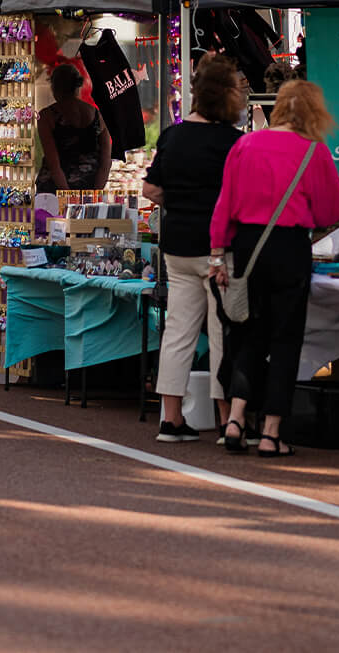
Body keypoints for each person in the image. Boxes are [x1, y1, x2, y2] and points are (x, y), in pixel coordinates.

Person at [209, 80, 339, 458]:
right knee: (286, 341)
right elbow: (331, 210)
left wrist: (218, 255)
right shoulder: (313, 151)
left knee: (247, 333)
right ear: (316, 112)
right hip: (290, 248)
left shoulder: (245, 144)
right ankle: (271, 432)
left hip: (248, 245)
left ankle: (235, 418)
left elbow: (224, 206)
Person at [143, 56, 244, 442]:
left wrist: (182, 200)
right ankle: (226, 419)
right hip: (220, 250)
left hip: (177, 246)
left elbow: (150, 190)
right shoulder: (235, 143)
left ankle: (171, 418)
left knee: (178, 331)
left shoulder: (172, 136)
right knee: (222, 335)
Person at [37, 64, 111, 192]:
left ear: (54, 87)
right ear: (78, 87)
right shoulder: (98, 115)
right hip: (88, 186)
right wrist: (94, 194)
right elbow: (106, 162)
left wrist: (68, 197)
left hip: (54, 189)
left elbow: (54, 165)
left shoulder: (47, 116)